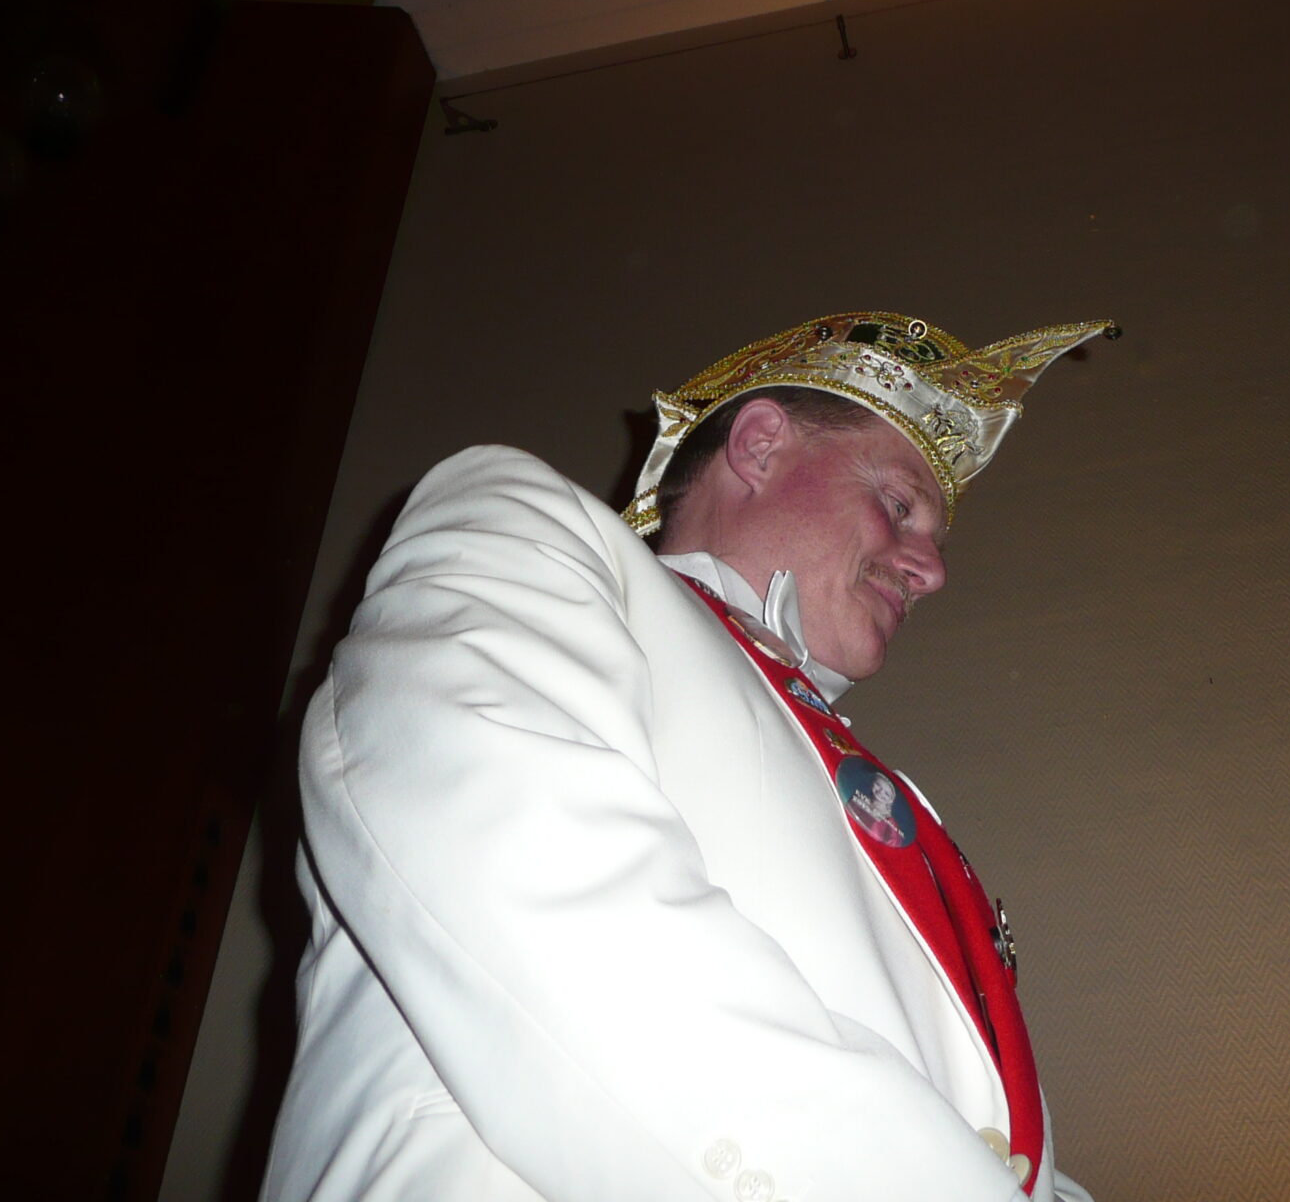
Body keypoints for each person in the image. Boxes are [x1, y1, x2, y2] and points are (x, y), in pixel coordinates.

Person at [263, 311, 1117, 1202]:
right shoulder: (521, 526)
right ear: (759, 445)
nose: (929, 570)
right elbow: (520, 866)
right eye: (899, 507)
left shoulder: (883, 801)